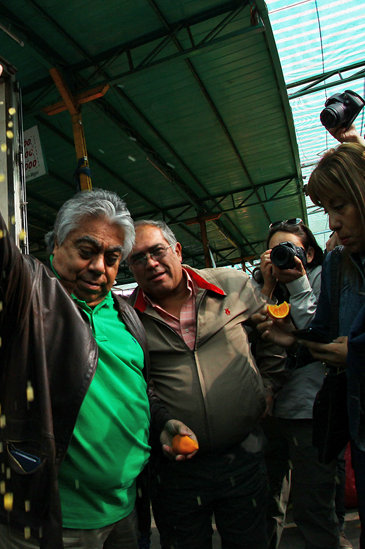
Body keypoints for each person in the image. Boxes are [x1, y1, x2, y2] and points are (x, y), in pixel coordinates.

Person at [0, 63, 188, 549]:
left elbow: (136, 387)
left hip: (127, 514)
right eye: (86, 250)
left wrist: (164, 421)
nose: (99, 268)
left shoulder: (126, 313)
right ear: (55, 247)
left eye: (111, 258)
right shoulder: (30, 295)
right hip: (49, 520)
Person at [127, 219, 288, 549]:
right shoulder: (129, 316)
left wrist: (268, 389)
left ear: (177, 250)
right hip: (176, 470)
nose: (151, 263)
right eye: (138, 258)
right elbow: (135, 381)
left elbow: (271, 335)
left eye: (157, 251)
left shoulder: (233, 284)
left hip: (244, 454)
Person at [257, 140, 365, 535]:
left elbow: (338, 343)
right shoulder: (338, 266)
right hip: (299, 418)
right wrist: (292, 334)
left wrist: (353, 352)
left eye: (341, 206)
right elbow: (317, 336)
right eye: (328, 211)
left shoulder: (330, 271)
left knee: (317, 509)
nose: (334, 222)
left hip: (313, 414)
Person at [254, 220, 341, 549]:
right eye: (276, 250)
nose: (285, 256)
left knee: (314, 506)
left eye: (293, 249)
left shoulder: (323, 279)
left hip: (312, 411)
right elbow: (249, 338)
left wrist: (300, 285)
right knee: (266, 502)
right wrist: (264, 287)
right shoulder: (259, 285)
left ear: (310, 253)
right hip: (269, 412)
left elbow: (323, 335)